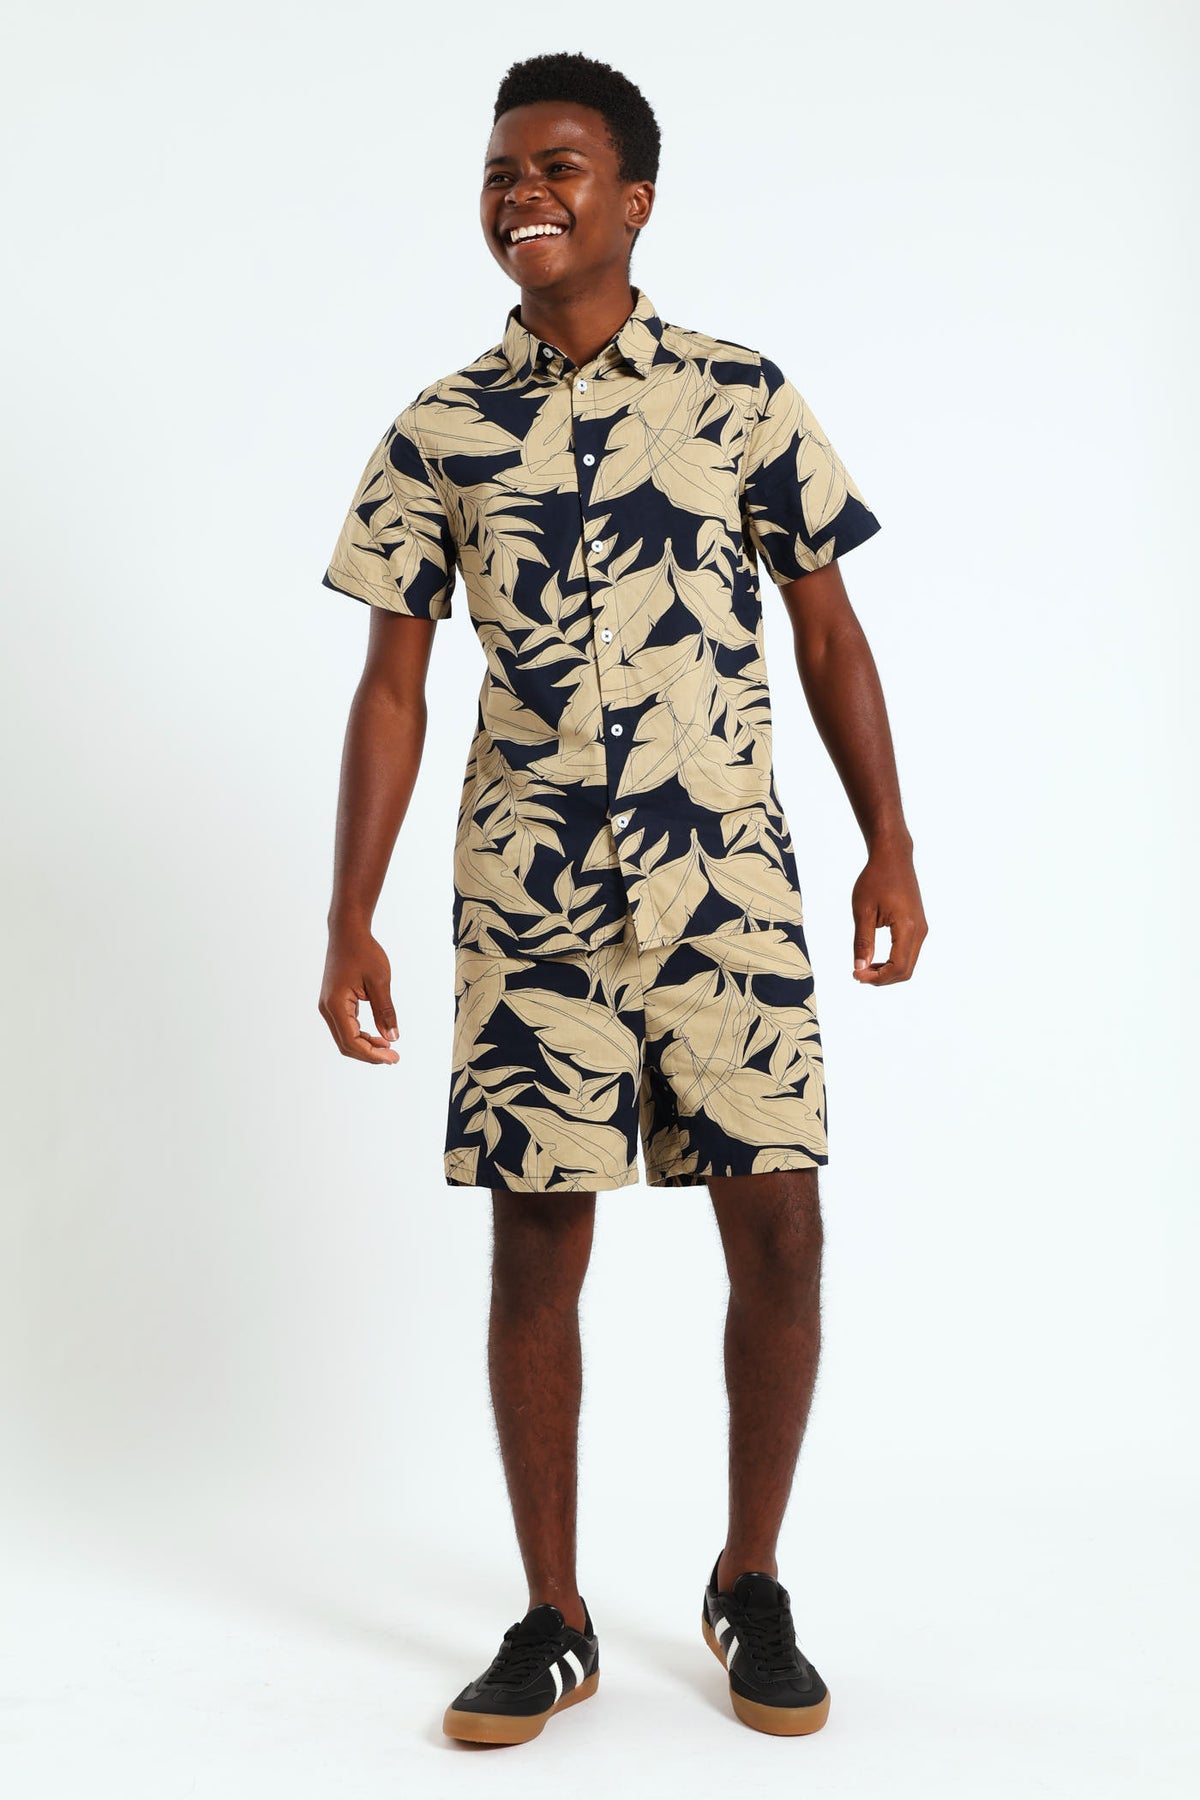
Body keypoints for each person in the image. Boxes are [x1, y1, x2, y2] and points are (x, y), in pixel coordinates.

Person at [318, 50, 927, 1746]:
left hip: (725, 890)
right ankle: (554, 1618)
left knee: (781, 1228)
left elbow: (828, 633)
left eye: (559, 166)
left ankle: (750, 1581)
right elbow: (391, 688)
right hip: (530, 901)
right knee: (535, 1242)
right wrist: (348, 914)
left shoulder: (741, 396)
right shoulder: (440, 428)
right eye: (501, 171)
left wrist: (888, 841)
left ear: (635, 199)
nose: (523, 193)